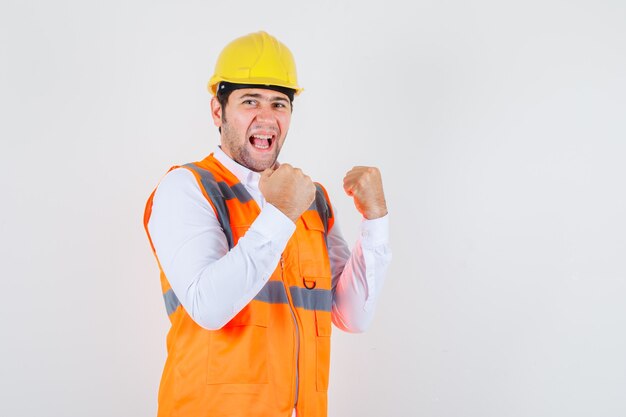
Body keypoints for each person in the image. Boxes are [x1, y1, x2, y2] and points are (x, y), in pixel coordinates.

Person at [143, 31, 391, 417]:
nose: (266, 116)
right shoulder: (188, 188)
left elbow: (352, 315)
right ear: (217, 111)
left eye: (279, 103)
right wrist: (279, 215)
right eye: (249, 101)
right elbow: (208, 307)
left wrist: (375, 222)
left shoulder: (313, 200)